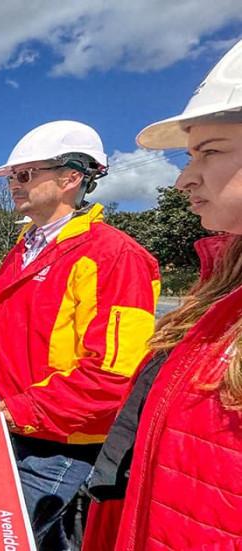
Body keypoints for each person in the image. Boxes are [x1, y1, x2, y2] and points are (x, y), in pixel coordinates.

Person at [0, 120, 161, 550]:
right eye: (12, 177)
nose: (14, 185)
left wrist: (14, 410)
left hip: (55, 450)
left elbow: (114, 377)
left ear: (71, 177)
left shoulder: (115, 257)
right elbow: (7, 340)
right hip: (6, 432)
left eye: (25, 174)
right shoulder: (22, 252)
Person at [84, 39, 242, 551]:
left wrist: (25, 409)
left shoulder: (117, 255)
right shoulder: (218, 296)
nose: (183, 178)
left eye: (211, 151)